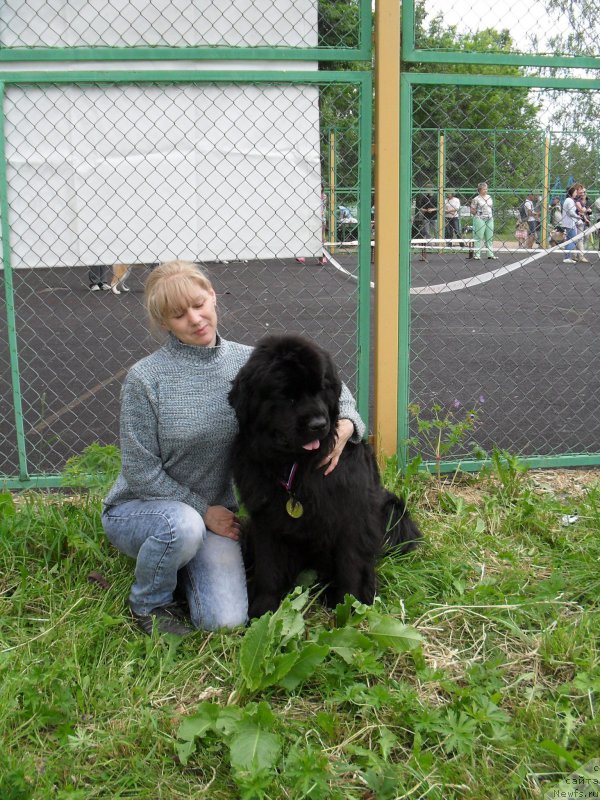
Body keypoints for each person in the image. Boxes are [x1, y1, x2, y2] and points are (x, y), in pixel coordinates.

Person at [101, 260, 364, 636]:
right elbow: (141, 473)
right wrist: (202, 511)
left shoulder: (248, 361)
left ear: (212, 296)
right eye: (178, 314)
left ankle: (181, 566)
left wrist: (348, 424)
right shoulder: (146, 379)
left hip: (216, 518)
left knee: (224, 620)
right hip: (147, 510)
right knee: (183, 527)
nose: (195, 319)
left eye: (199, 304)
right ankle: (150, 602)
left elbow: (333, 385)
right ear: (164, 323)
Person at [470, 181, 497, 260]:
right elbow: (472, 210)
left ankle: (490, 254)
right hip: (480, 219)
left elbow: (491, 207)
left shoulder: (489, 197)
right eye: (484, 189)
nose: (486, 190)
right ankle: (477, 254)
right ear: (480, 190)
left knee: (489, 237)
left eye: (486, 189)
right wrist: (478, 213)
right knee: (478, 237)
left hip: (490, 218)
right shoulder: (476, 199)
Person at [561, 184, 583, 264]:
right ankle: (567, 256)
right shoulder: (569, 200)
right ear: (571, 192)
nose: (576, 193)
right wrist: (578, 217)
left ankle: (567, 257)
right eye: (575, 192)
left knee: (569, 240)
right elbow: (570, 212)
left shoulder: (568, 200)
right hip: (570, 223)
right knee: (573, 240)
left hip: (568, 222)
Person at [414, 190, 437, 262]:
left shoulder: (436, 197)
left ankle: (436, 243)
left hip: (434, 216)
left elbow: (438, 207)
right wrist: (426, 210)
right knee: (426, 231)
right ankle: (429, 244)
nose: (429, 192)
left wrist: (432, 209)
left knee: (436, 230)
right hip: (426, 217)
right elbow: (421, 208)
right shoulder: (424, 198)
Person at [574, 186, 591, 263]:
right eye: (581, 192)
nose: (583, 193)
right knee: (579, 239)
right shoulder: (577, 200)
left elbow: (587, 211)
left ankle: (578, 255)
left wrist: (586, 217)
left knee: (583, 238)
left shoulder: (586, 200)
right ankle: (580, 256)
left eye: (584, 192)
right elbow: (582, 210)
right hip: (578, 221)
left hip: (583, 221)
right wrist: (585, 211)